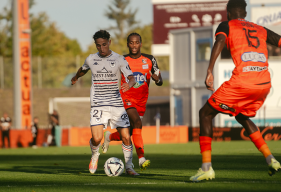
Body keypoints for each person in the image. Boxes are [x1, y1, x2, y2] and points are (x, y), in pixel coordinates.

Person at [190, 0, 281, 182]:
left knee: (205, 114)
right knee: (241, 115)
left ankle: (206, 168)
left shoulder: (227, 25)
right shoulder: (261, 29)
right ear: (245, 13)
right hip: (263, 83)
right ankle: (271, 159)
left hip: (243, 82)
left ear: (228, 12)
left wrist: (209, 70)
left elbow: (220, 41)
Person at [71, 30, 138, 175]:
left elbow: (132, 78)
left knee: (126, 136)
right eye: (98, 46)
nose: (101, 48)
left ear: (109, 42)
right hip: (98, 103)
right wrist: (76, 77)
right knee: (97, 138)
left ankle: (129, 167)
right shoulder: (91, 59)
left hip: (116, 104)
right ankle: (95, 155)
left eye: (104, 45)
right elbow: (83, 70)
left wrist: (129, 84)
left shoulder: (119, 59)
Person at [101, 32, 163, 171]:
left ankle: (109, 136)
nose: (134, 45)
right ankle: (141, 158)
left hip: (141, 101)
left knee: (127, 133)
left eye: (136, 42)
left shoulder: (150, 59)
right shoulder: (121, 60)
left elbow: (160, 80)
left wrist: (157, 79)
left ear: (140, 43)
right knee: (137, 122)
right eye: (131, 42)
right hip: (126, 99)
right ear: (128, 44)